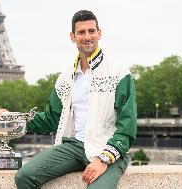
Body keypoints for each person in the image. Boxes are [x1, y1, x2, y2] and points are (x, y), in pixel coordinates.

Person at [13, 10, 137, 189]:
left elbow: (128, 124)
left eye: (91, 31)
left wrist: (103, 159)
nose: (87, 37)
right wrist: (14, 120)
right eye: (81, 32)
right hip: (74, 147)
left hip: (107, 150)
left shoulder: (119, 72)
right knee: (24, 176)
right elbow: (51, 118)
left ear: (99, 33)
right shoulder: (65, 77)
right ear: (72, 36)